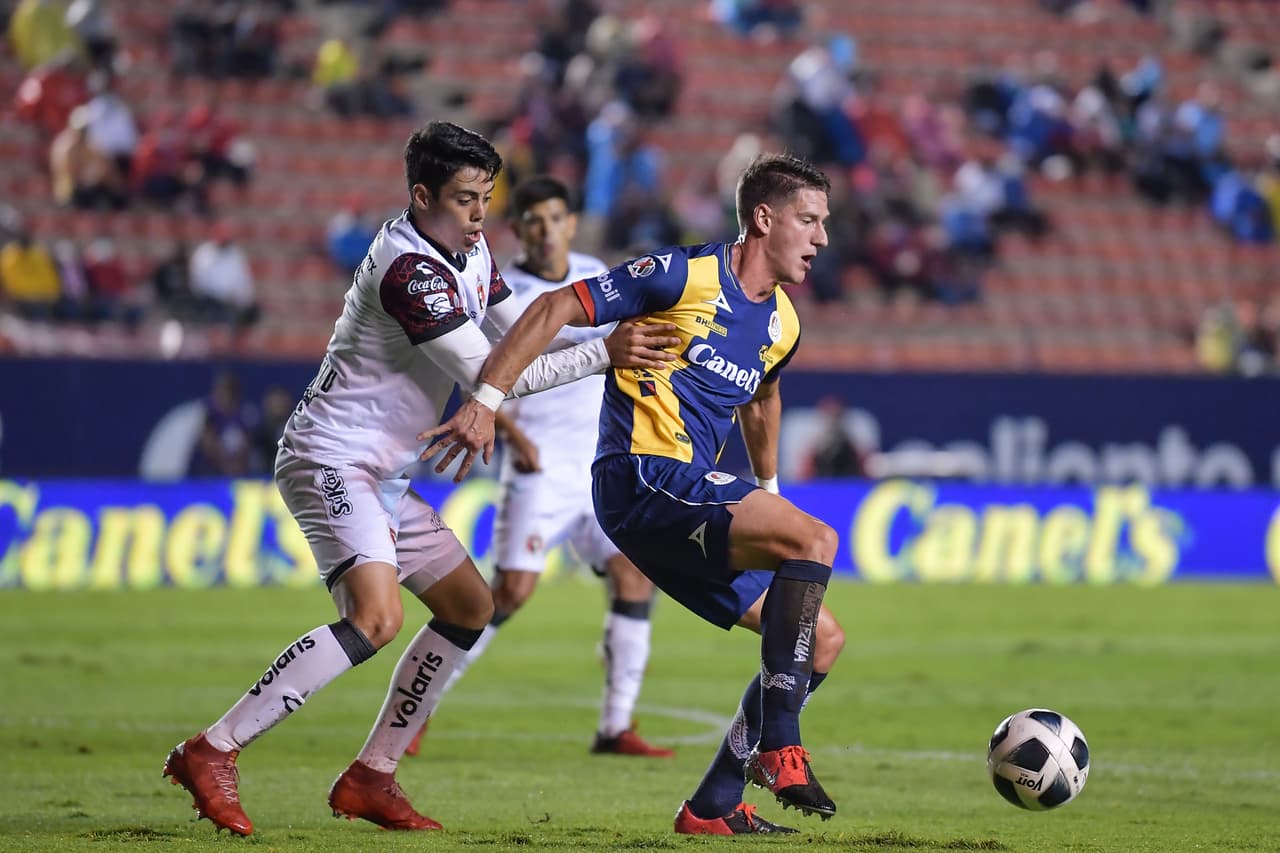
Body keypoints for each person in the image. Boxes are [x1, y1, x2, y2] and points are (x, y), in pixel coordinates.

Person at [161, 121, 679, 837]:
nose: (480, 214)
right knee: (376, 619)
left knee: (470, 606)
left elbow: (523, 331)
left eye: (486, 197)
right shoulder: (409, 271)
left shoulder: (470, 250)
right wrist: (604, 354)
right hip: (333, 457)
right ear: (422, 195)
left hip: (386, 474)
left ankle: (373, 775)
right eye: (465, 199)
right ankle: (212, 748)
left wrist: (608, 335)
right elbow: (493, 372)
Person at [423, 153, 847, 835]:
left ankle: (712, 805)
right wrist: (486, 400)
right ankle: (781, 743)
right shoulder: (681, 274)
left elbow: (763, 398)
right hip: (640, 475)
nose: (822, 237)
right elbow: (557, 304)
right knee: (818, 538)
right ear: (765, 219)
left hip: (684, 500)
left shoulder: (785, 325)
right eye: (810, 220)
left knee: (821, 638)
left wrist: (769, 494)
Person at [406, 175, 674, 760]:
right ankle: (416, 708)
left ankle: (615, 726)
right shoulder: (502, 293)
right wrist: (513, 434)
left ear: (571, 224)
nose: (546, 230)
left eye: (555, 218)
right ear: (518, 229)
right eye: (534, 220)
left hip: (599, 467)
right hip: (539, 468)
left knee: (635, 575)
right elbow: (476, 376)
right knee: (510, 591)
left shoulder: (594, 273)